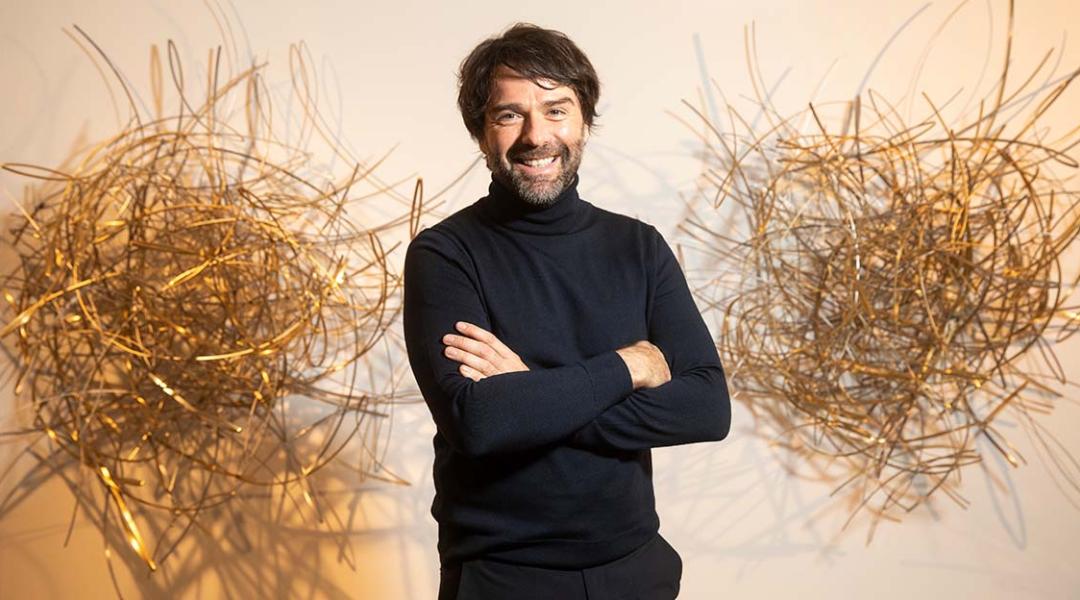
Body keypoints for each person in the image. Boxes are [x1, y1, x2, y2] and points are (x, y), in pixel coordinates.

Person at [402, 22, 731, 600]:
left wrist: (531, 393)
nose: (537, 135)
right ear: (482, 132)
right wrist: (626, 368)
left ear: (584, 122)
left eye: (556, 110)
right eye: (510, 115)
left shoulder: (639, 247)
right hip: (503, 576)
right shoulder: (444, 254)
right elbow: (479, 423)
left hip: (635, 567)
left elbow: (706, 407)